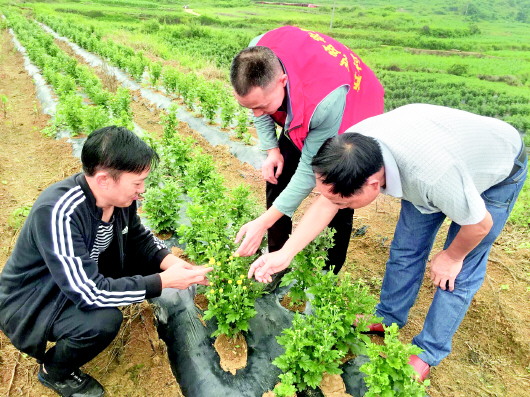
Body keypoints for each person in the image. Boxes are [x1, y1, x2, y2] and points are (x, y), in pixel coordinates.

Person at [247, 104, 527, 380]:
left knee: (458, 273)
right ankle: (387, 317)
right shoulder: (352, 148)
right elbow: (327, 201)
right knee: (406, 250)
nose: (335, 204)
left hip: (497, 167)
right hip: (436, 154)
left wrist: (452, 257)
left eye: (342, 201)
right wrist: (285, 253)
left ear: (371, 184)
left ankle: (428, 351)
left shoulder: (433, 177)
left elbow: (480, 225)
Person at [0, 126, 212, 397]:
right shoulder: (58, 212)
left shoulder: (120, 201)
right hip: (38, 297)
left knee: (150, 264)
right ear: (103, 180)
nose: (142, 190)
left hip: (80, 273)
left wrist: (169, 262)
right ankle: (54, 371)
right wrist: (162, 283)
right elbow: (89, 293)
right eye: (137, 183)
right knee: (102, 320)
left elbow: (138, 237)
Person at [230, 26, 384, 277]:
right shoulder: (256, 56)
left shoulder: (324, 103)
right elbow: (257, 105)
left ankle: (328, 273)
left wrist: (262, 221)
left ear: (282, 82)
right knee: (278, 176)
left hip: (350, 110)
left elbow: (306, 171)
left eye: (262, 106)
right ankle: (276, 261)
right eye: (250, 107)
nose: (256, 114)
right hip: (305, 97)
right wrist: (271, 149)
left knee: (339, 194)